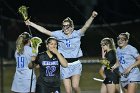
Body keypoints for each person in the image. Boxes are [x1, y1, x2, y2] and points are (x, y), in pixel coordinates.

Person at [25, 11, 98, 93]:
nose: (65, 28)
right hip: (64, 64)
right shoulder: (59, 34)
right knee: (68, 91)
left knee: (75, 86)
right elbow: (44, 31)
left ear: (72, 27)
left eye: (68, 26)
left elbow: (86, 26)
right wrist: (31, 24)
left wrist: (92, 16)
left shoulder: (77, 34)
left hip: (75, 64)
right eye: (64, 26)